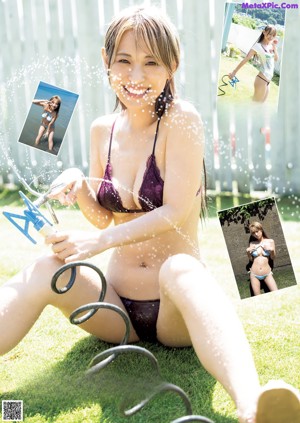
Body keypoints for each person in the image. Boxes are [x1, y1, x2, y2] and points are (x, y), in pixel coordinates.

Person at [0, 7, 299, 423]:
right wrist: (81, 184)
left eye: (151, 62)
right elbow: (105, 219)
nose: (136, 76)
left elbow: (176, 212)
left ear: (172, 66)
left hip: (173, 314)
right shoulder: (101, 129)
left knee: (181, 268)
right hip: (115, 308)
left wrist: (97, 243)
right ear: (106, 63)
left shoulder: (182, 120)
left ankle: (252, 406)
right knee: (44, 267)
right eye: (123, 61)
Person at [228, 25, 279, 102]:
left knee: (260, 106)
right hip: (262, 79)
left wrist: (274, 48)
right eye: (269, 34)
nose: (271, 37)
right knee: (256, 105)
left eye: (273, 35)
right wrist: (234, 72)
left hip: (268, 80)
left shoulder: (270, 46)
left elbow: (276, 59)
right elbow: (246, 59)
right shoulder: (258, 46)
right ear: (264, 32)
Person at [246, 221, 278, 296]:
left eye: (257, 231)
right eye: (253, 233)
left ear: (261, 229)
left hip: (267, 273)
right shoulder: (252, 243)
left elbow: (272, 257)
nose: (256, 234)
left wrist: (271, 250)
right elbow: (251, 259)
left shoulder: (270, 241)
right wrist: (248, 252)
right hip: (254, 274)